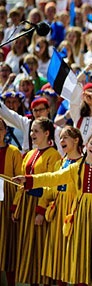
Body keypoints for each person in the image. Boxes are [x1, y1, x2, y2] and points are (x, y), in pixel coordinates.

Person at [14, 132, 92, 285]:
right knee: (80, 256)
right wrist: (29, 179)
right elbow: (54, 178)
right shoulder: (75, 168)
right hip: (79, 214)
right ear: (86, 145)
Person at [10, 118, 62, 285]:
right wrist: (16, 206)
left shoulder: (54, 155)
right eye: (31, 131)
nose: (32, 134)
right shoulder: (30, 154)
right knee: (27, 249)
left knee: (40, 248)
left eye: (36, 131)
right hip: (26, 205)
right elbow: (20, 183)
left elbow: (50, 184)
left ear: (47, 133)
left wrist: (41, 210)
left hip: (40, 205)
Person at [38, 126, 83, 284]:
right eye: (61, 138)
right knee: (56, 256)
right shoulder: (60, 162)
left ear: (76, 140)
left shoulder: (83, 163)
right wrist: (41, 210)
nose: (61, 141)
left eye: (65, 137)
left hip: (73, 212)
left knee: (73, 256)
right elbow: (50, 188)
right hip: (57, 212)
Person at [0, 119, 22, 286]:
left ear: (5, 130)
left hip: (7, 200)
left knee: (8, 245)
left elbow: (19, 182)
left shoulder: (14, 152)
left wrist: (15, 205)